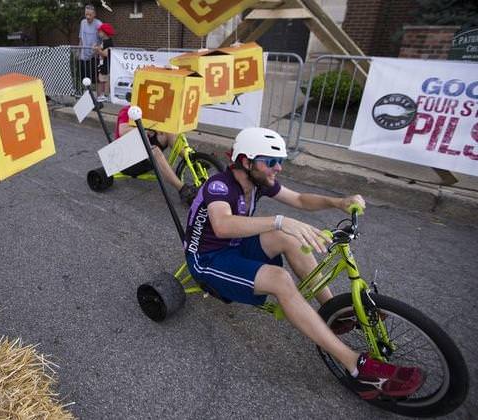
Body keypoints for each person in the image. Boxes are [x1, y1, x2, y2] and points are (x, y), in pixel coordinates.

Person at [183, 127, 425, 400]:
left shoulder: (258, 180)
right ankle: (357, 370)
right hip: (208, 259)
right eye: (271, 162)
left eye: (281, 162)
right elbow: (223, 225)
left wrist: (338, 201)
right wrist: (280, 219)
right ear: (246, 162)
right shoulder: (220, 186)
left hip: (236, 246)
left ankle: (333, 313)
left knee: (290, 238)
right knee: (280, 278)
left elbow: (298, 199)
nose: (279, 168)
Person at [115, 94, 197, 204]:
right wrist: (147, 129)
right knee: (155, 151)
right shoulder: (126, 111)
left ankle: (193, 161)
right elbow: (123, 131)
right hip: (128, 161)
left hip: (142, 153)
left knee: (169, 133)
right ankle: (182, 189)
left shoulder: (149, 112)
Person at [78, 4, 102, 85]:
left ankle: (96, 96)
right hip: (83, 57)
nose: (88, 17)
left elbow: (103, 40)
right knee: (84, 80)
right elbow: (81, 39)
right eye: (86, 14)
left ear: (94, 14)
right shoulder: (83, 22)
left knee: (95, 80)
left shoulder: (98, 24)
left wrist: (98, 50)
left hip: (94, 57)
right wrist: (78, 52)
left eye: (90, 15)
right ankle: (85, 94)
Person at [93, 23, 114, 102]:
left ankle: (105, 95)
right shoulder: (103, 41)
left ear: (104, 32)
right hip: (102, 64)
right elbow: (100, 49)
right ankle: (102, 95)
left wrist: (98, 50)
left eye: (100, 31)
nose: (98, 33)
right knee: (101, 79)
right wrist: (96, 48)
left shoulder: (109, 42)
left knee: (105, 80)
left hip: (106, 64)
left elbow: (105, 53)